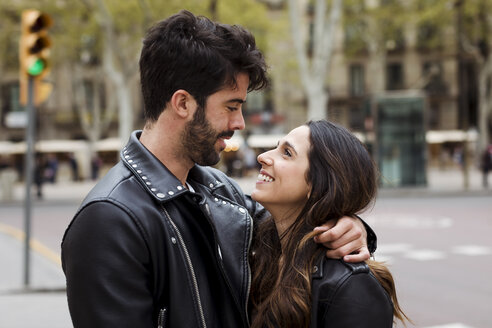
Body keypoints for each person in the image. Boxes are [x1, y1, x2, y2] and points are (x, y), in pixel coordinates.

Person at [61, 11, 376, 328]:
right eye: (231, 106)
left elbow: (293, 225)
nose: (238, 123)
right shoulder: (109, 218)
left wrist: (347, 225)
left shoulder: (220, 191)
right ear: (183, 103)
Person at [249, 120, 409, 327]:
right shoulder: (261, 256)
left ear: (318, 185)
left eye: (287, 153)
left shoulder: (352, 286)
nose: (263, 156)